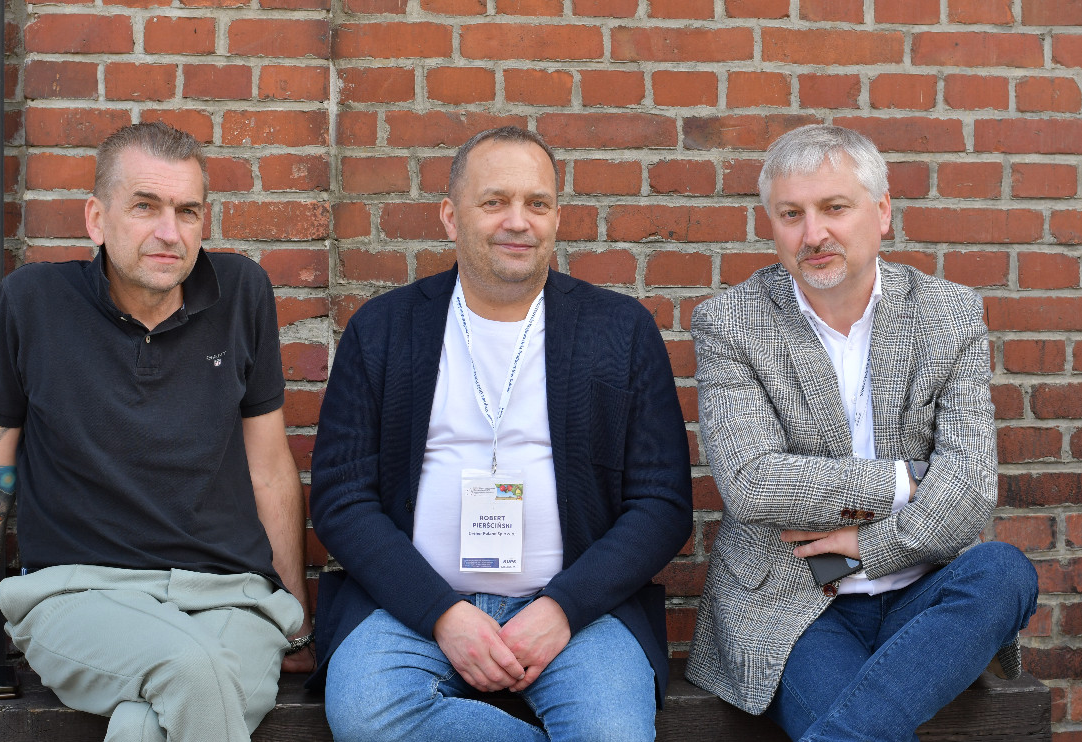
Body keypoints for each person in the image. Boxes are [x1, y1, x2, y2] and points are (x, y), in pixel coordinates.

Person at [309, 126, 693, 741]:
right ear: (450, 217)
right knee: (366, 713)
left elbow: (663, 504)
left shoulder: (619, 331)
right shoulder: (383, 329)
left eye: (537, 203)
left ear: (557, 218)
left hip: (575, 614)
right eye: (495, 202)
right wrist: (441, 613)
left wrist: (562, 608)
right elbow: (341, 498)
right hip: (413, 610)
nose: (519, 221)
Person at [685, 124, 1039, 741]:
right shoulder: (731, 322)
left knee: (1004, 573)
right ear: (771, 224)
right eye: (791, 214)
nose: (812, 234)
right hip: (789, 605)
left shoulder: (947, 314)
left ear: (882, 212)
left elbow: (970, 492)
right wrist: (906, 482)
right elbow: (751, 483)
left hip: (921, 593)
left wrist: (863, 547)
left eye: (834, 208)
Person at [0, 121, 314, 742]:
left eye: (188, 211)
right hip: (78, 596)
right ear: (96, 219)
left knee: (147, 724)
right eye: (145, 207)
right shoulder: (31, 303)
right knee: (192, 669)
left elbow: (268, 469)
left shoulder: (242, 293)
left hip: (231, 599)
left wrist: (296, 623)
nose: (169, 232)